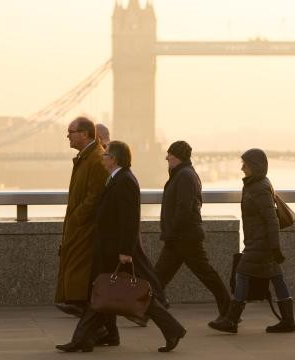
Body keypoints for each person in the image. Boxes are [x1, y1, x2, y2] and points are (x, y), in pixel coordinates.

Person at [56, 141, 186, 353]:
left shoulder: (125, 181)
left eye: (105, 154)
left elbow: (130, 220)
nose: (103, 157)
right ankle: (98, 337)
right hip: (111, 249)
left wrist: (125, 251)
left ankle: (82, 339)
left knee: (108, 294)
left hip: (117, 252)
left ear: (114, 159)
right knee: (110, 294)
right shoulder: (116, 178)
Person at [208, 148, 295, 334]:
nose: (242, 168)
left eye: (245, 164)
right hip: (258, 243)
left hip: (261, 244)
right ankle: (288, 321)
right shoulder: (254, 184)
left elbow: (272, 220)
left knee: (242, 273)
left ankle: (231, 320)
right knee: (277, 278)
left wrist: (275, 247)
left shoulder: (260, 187)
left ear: (255, 166)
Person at [154, 141, 231, 325]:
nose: (166, 157)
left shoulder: (185, 176)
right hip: (181, 237)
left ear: (177, 156)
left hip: (184, 238)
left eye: (169, 154)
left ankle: (229, 312)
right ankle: (145, 310)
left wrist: (171, 232)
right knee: (158, 277)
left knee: (205, 275)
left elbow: (183, 208)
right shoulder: (182, 174)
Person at [55, 117, 107, 317]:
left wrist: (76, 217)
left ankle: (79, 307)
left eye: (71, 131)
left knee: (82, 272)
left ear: (84, 134)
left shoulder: (96, 159)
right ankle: (104, 330)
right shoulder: (87, 157)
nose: (67, 135)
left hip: (86, 229)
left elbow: (94, 197)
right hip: (80, 226)